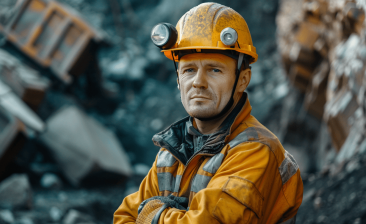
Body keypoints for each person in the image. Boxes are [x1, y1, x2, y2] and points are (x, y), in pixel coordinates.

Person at [114, 2, 303, 224]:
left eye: (214, 70)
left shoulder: (257, 151)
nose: (198, 83)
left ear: (243, 80)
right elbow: (124, 218)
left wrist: (154, 216)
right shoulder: (171, 155)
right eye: (189, 70)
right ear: (177, 80)